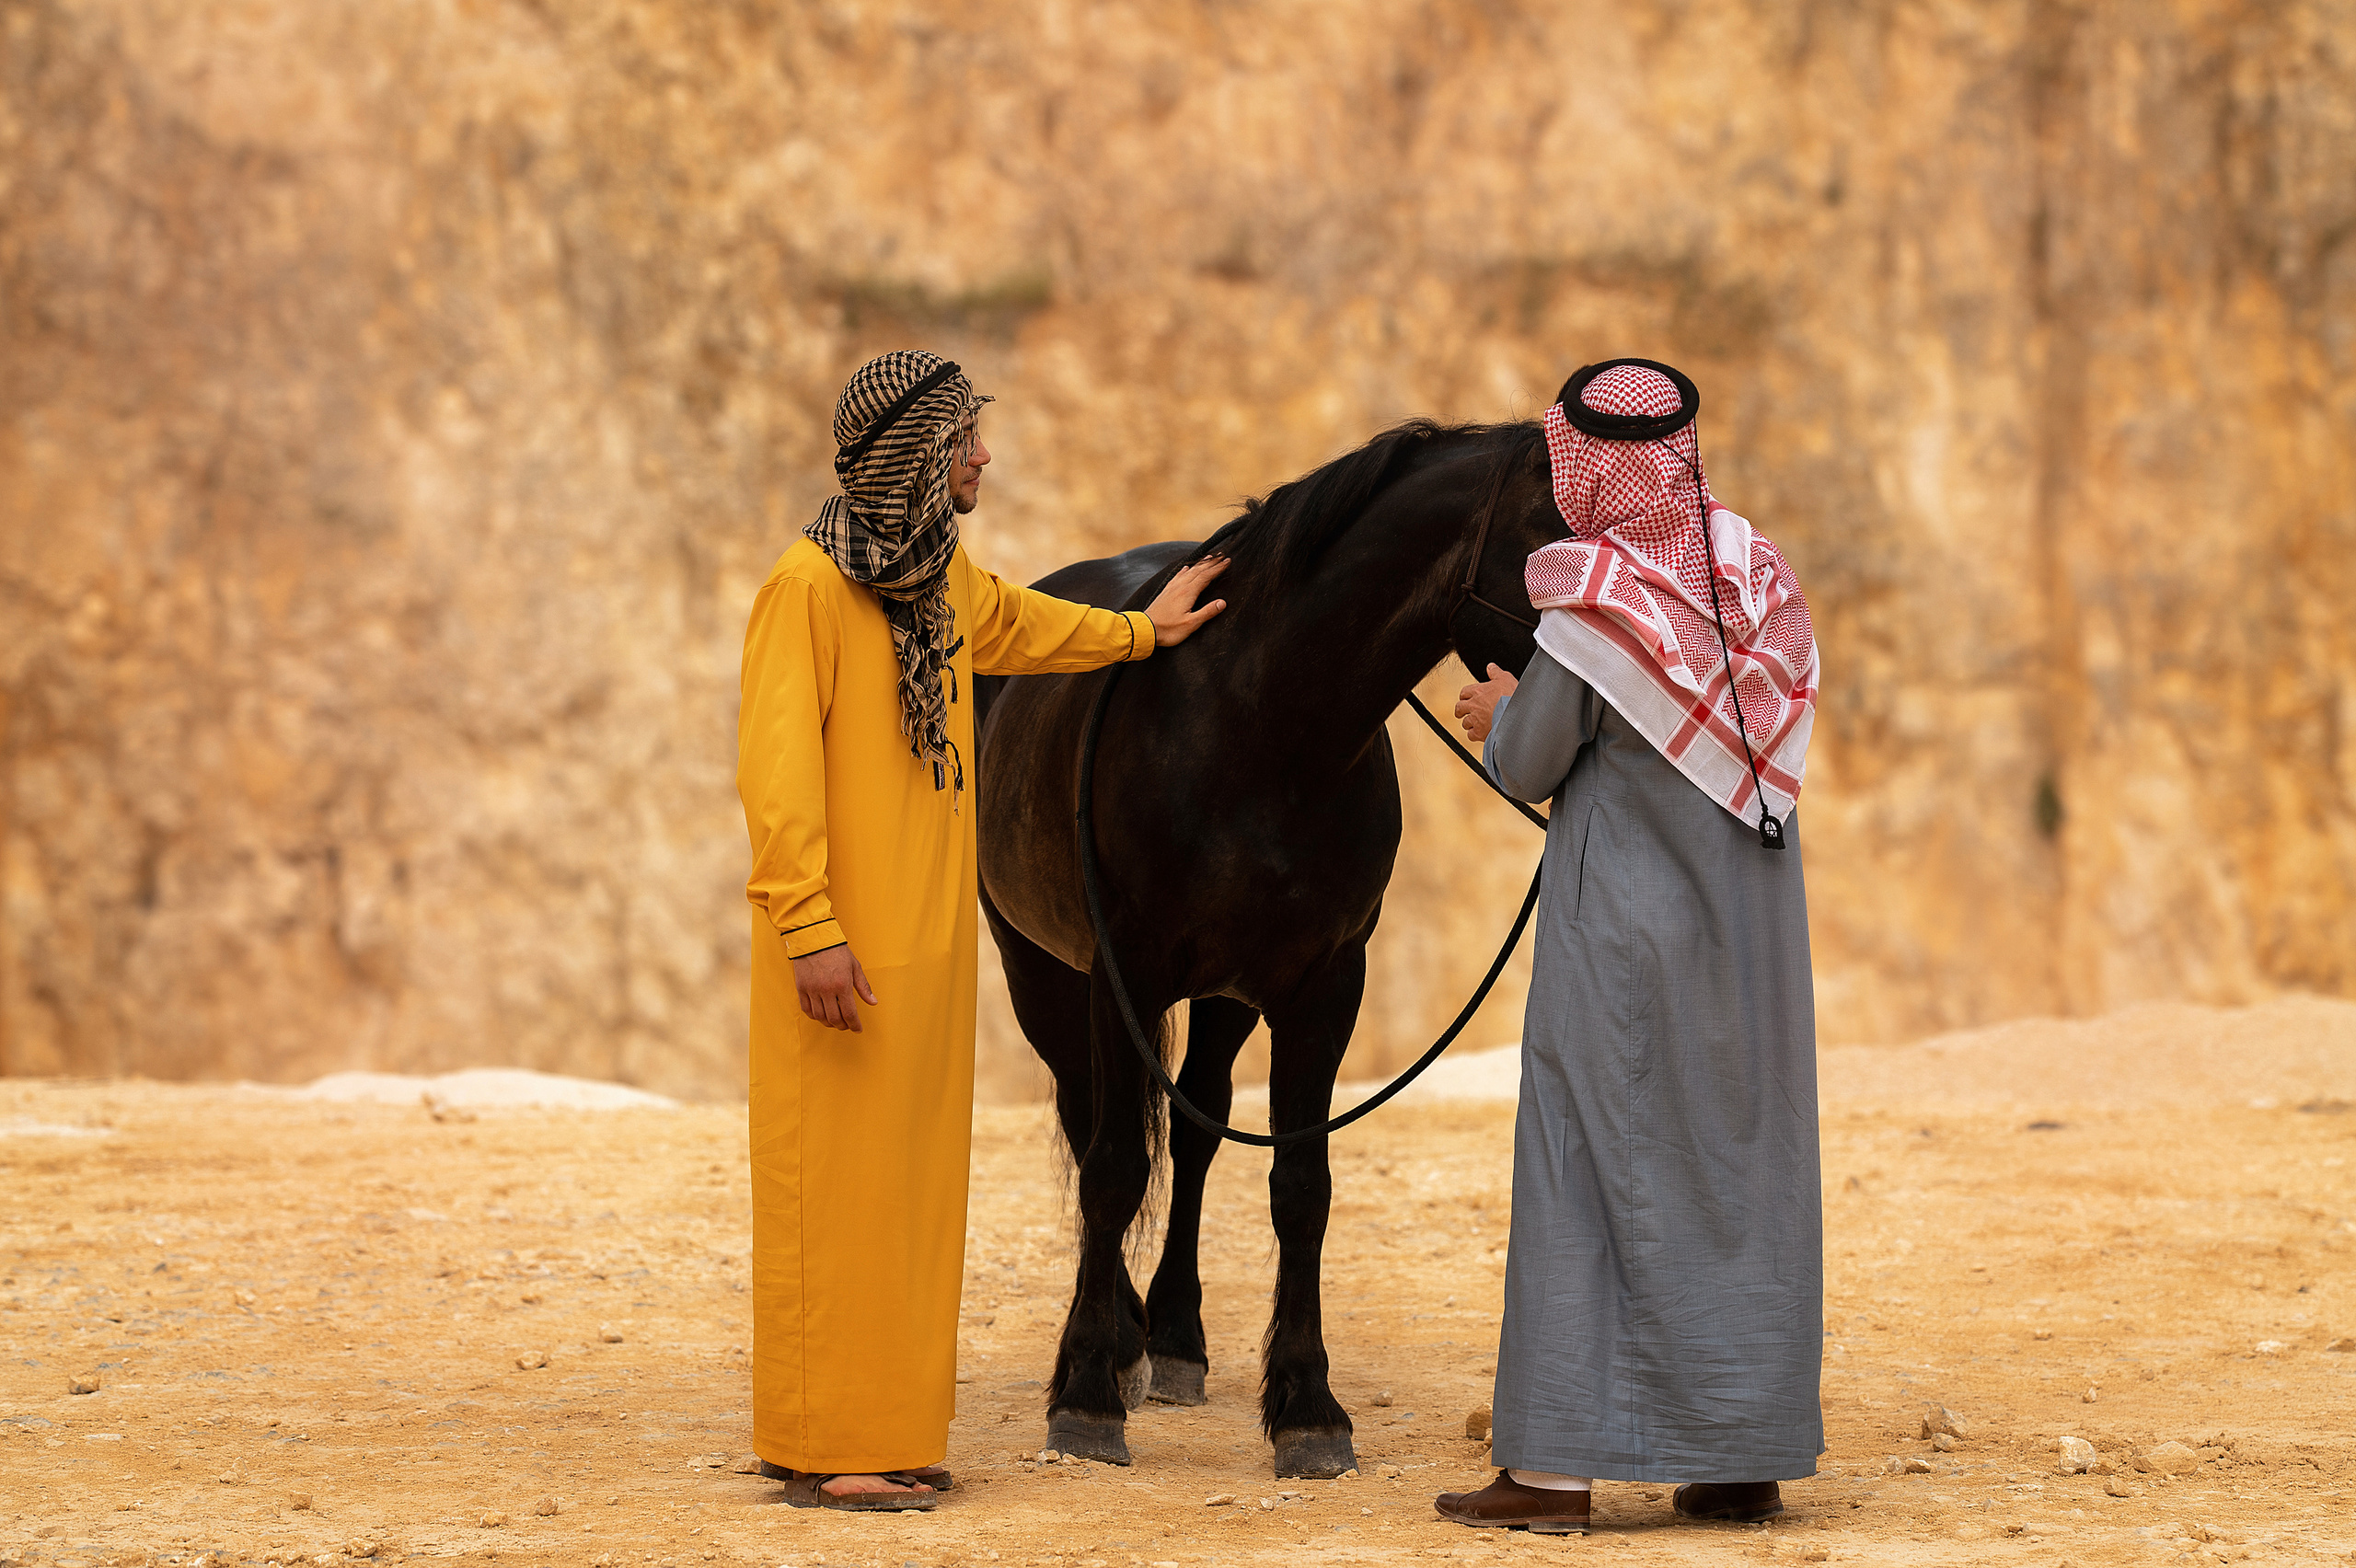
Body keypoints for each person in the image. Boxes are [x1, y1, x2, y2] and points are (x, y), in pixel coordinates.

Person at [736, 351, 1229, 1511]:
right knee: (840, 1192)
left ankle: (880, 1429)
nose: (983, 457)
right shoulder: (804, 591)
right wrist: (808, 929)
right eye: (966, 439)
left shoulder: (934, 585)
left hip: (926, 952)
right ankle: (832, 1444)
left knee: (909, 1197)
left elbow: (1025, 626)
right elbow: (776, 782)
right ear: (919, 452)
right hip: (842, 949)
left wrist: (1143, 633)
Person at [1437, 360, 1823, 1534]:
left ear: (1583, 463)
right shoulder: (1756, 576)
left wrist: (1498, 713)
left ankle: (1551, 1471)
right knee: (1738, 1168)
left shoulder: (1595, 602)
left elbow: (1529, 765)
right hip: (1752, 939)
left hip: (1622, 945)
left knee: (1587, 1161)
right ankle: (1737, 1456)